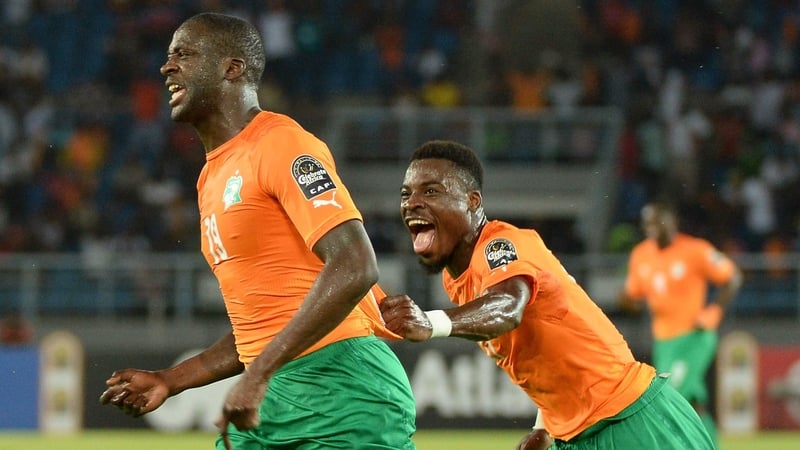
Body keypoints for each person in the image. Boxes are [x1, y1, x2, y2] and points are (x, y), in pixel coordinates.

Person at [99, 13, 416, 450]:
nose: (166, 67)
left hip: (342, 390)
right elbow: (259, 326)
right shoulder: (211, 178)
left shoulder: (281, 143)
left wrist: (260, 372)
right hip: (274, 395)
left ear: (232, 69)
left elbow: (356, 263)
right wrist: (170, 380)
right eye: (169, 56)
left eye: (184, 54)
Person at [379, 140, 715, 450]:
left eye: (431, 191)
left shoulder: (500, 246)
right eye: (406, 194)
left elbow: (508, 308)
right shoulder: (458, 279)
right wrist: (544, 426)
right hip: (577, 433)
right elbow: (545, 343)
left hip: (629, 421)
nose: (412, 203)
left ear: (472, 202)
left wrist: (431, 321)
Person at [619, 201, 743, 446]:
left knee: (669, 396)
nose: (652, 227)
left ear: (672, 222)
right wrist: (625, 300)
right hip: (664, 341)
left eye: (657, 221)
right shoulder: (641, 255)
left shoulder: (695, 250)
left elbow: (733, 277)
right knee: (693, 404)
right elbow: (632, 295)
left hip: (694, 337)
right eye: (648, 223)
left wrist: (714, 311)